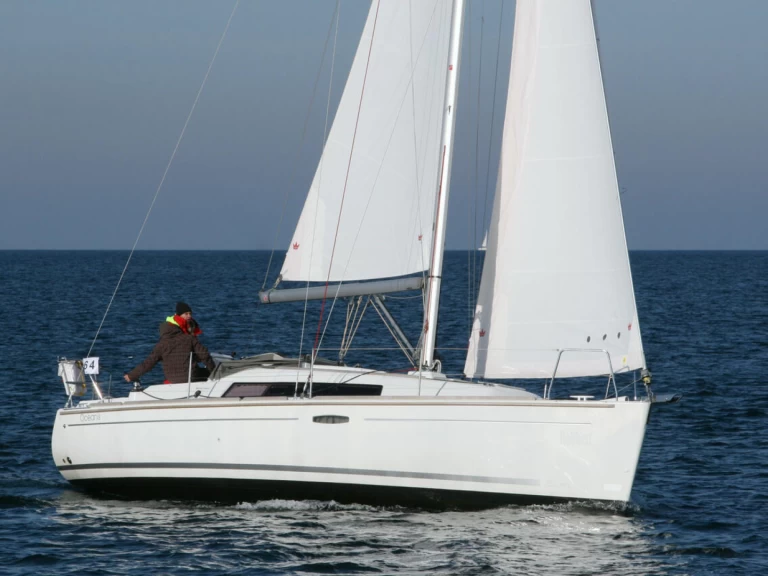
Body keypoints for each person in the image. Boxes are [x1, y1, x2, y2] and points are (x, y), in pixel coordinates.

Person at [124, 302, 216, 384]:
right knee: (212, 374)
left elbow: (149, 362)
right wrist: (214, 370)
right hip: (190, 376)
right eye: (186, 313)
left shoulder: (162, 344)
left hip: (172, 379)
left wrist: (132, 375)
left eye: (190, 313)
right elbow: (204, 355)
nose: (189, 316)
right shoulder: (189, 339)